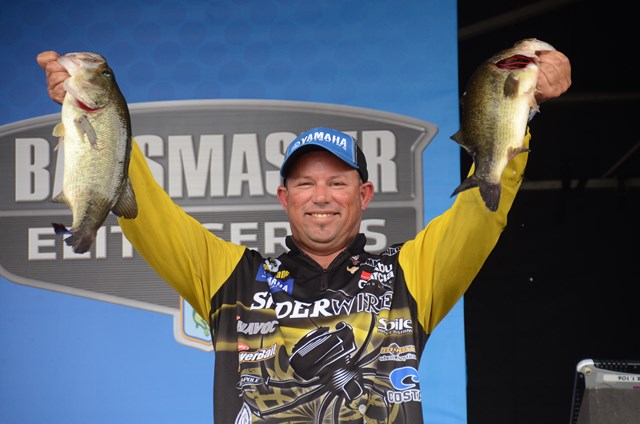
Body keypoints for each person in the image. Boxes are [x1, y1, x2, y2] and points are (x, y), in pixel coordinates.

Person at [37, 48, 571, 423]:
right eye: (305, 183)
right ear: (284, 197)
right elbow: (148, 212)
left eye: (337, 182)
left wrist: (518, 104)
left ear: (364, 195)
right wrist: (95, 112)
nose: (321, 196)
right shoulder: (231, 277)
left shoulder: (410, 274)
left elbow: (482, 209)